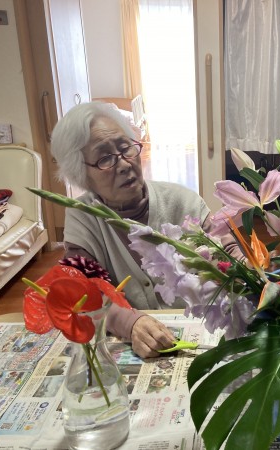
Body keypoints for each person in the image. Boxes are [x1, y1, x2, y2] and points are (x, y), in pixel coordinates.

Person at [50, 101, 236, 358]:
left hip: (201, 335)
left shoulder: (182, 201)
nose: (124, 164)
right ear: (81, 173)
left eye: (125, 147)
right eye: (105, 158)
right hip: (137, 348)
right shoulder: (83, 217)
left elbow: (225, 248)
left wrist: (246, 265)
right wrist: (130, 323)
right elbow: (83, 292)